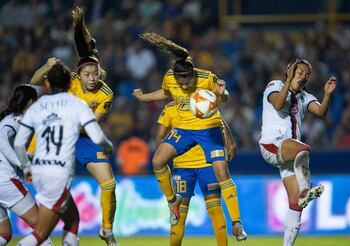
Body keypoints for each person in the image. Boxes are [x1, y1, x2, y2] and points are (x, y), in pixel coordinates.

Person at [133, 32, 247, 241]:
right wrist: (144, 97)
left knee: (222, 173)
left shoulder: (207, 78)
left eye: (187, 81)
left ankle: (237, 222)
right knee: (157, 160)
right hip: (184, 130)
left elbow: (225, 100)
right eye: (180, 81)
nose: (184, 86)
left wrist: (222, 94)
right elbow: (166, 93)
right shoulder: (169, 78)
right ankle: (172, 202)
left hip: (208, 129)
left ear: (193, 75)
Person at [30, 7, 118, 245]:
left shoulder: (105, 94)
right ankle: (45, 232)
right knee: (54, 189)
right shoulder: (69, 81)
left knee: (109, 184)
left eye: (95, 74)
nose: (92, 78)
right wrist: (46, 67)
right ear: (80, 74)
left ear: (100, 74)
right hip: (61, 138)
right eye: (87, 74)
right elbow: (33, 83)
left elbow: (91, 126)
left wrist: (83, 113)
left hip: (84, 138)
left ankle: (107, 231)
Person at [14, 62, 113, 246]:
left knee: (73, 221)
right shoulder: (77, 105)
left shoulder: (38, 105)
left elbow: (20, 143)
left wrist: (26, 166)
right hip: (58, 174)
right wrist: (108, 147)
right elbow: (96, 135)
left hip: (39, 170)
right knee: (40, 234)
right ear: (71, 81)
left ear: (48, 85)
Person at [259, 59, 337, 246]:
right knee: (303, 148)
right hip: (272, 144)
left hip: (290, 155)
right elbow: (278, 104)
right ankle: (305, 189)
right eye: (299, 71)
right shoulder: (274, 85)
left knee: (295, 205)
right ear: (290, 70)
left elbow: (320, 112)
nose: (302, 76)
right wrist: (288, 81)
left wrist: (326, 94)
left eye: (306, 74)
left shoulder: (305, 96)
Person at [157, 102, 239, 245]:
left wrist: (230, 142)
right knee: (187, 214)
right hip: (189, 166)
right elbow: (160, 136)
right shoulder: (178, 107)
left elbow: (218, 120)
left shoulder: (196, 103)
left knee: (207, 211)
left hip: (201, 165)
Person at [0, 85, 51, 246]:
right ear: (30, 102)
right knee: (42, 230)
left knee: (4, 234)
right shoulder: (16, 120)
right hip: (5, 181)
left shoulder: (6, 118)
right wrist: (22, 164)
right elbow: (1, 141)